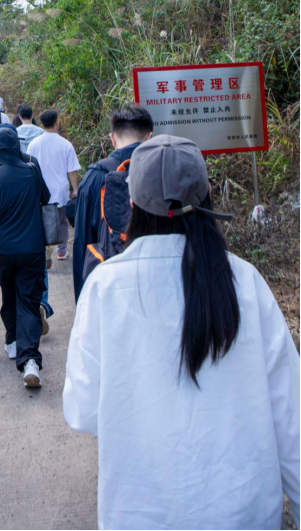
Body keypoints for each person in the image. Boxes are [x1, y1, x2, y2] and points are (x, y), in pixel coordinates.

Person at [64, 134, 301, 531]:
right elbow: (291, 413)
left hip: (141, 512)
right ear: (207, 195)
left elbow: (82, 411)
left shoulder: (105, 287)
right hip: (243, 508)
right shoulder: (244, 281)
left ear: (132, 203)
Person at [0, 128, 51, 389]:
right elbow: (46, 198)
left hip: (2, 250)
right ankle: (30, 361)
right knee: (29, 301)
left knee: (8, 295)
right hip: (31, 247)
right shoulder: (31, 172)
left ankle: (12, 342)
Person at [72, 105, 153, 301]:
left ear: (112, 138)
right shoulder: (162, 171)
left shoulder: (95, 177)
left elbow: (83, 241)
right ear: (149, 136)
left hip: (110, 287)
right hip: (156, 284)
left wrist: (83, 303)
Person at [27, 110, 80, 261]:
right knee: (62, 221)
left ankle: (44, 248)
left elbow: (29, 168)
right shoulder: (66, 144)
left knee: (41, 220)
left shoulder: (34, 144)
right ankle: (61, 251)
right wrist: (75, 190)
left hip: (40, 190)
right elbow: (72, 171)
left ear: (41, 124)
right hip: (60, 190)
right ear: (57, 122)